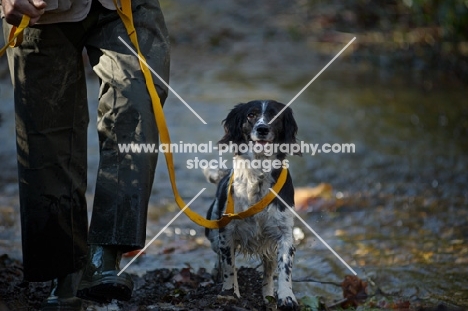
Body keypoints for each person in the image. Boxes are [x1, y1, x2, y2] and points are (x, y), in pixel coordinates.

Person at [1, 0, 170, 309]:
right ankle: (66, 272)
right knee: (45, 135)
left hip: (127, 6)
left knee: (137, 106)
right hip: (42, 10)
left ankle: (104, 255)